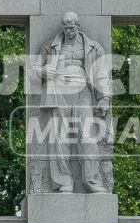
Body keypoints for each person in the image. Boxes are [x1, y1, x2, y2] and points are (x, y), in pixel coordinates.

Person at [31, 12, 112, 194]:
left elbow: (101, 74)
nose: (69, 30)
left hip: (82, 93)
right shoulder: (49, 47)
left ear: (78, 26)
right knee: (60, 138)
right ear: (63, 27)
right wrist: (43, 71)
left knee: (88, 138)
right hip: (59, 92)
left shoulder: (92, 47)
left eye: (72, 27)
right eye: (66, 27)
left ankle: (92, 181)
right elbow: (33, 70)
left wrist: (104, 98)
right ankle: (63, 182)